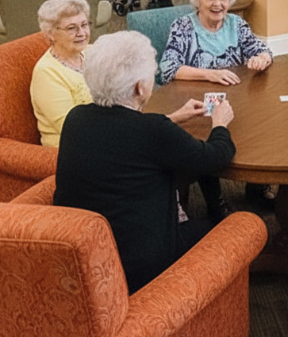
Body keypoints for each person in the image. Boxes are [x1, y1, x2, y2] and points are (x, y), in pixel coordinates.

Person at [53, 31, 235, 294]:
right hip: (140, 269)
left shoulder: (76, 118)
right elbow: (215, 157)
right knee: (217, 228)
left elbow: (126, 139)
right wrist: (220, 123)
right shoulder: (152, 131)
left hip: (83, 257)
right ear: (140, 87)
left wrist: (173, 117)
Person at [159, 0, 274, 209]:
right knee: (205, 142)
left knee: (263, 124)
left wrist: (261, 58)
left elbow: (263, 50)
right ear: (197, 0)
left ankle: (257, 187)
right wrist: (210, 74)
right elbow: (168, 68)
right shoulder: (183, 27)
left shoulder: (237, 24)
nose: (217, 4)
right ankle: (215, 201)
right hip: (197, 105)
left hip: (239, 98)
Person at [30, 0, 94, 147]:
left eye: (84, 25)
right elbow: (71, 129)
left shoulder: (92, 52)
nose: (82, 33)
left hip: (105, 137)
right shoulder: (46, 73)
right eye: (71, 28)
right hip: (72, 150)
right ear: (51, 33)